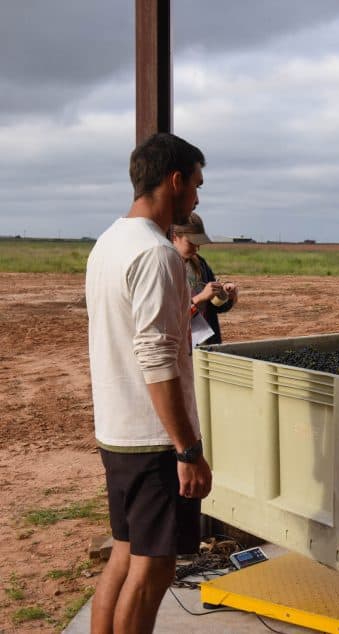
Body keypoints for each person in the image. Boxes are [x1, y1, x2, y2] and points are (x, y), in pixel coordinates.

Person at [85, 132, 212, 634]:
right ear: (174, 181)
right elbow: (158, 359)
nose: (198, 198)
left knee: (124, 555)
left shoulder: (108, 243)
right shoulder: (157, 254)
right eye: (197, 185)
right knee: (153, 567)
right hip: (153, 440)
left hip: (117, 433)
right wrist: (186, 449)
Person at [171, 212, 239, 345]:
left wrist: (225, 294)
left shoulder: (200, 264)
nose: (197, 248)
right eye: (192, 242)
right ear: (174, 237)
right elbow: (169, 318)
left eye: (199, 243)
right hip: (180, 348)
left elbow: (215, 307)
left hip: (206, 345)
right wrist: (201, 297)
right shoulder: (164, 269)